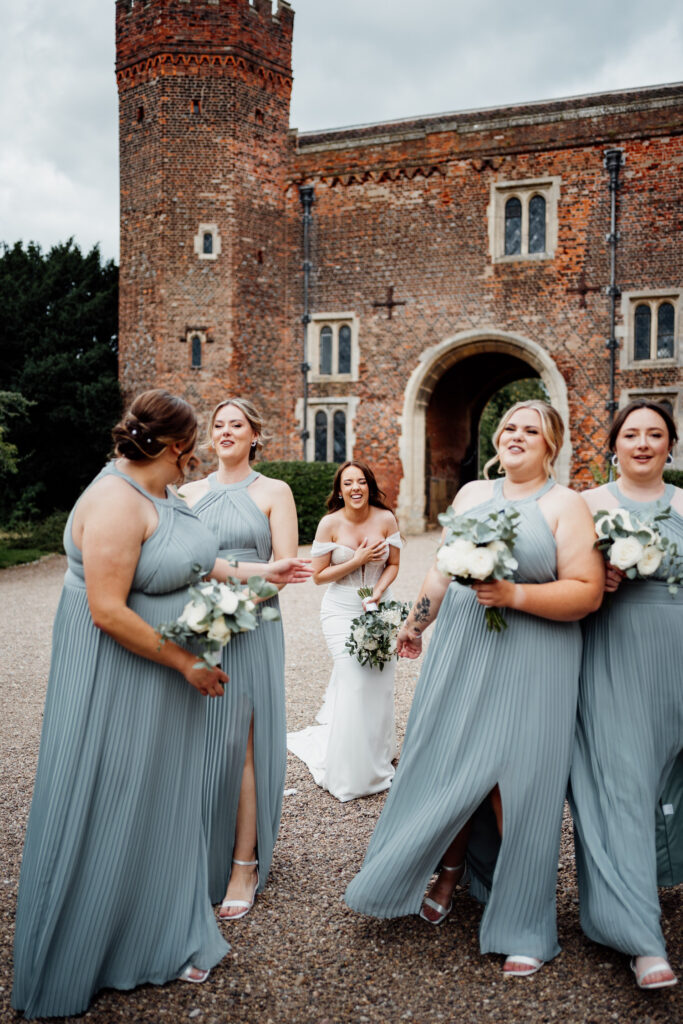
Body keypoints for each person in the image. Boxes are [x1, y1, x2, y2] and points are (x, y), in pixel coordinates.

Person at [344, 401, 604, 976]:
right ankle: (449, 870)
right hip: (463, 647)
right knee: (451, 764)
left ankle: (524, 917)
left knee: (518, 785)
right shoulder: (469, 496)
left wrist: (516, 595)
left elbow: (586, 592)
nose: (516, 436)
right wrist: (416, 622)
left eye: (530, 430)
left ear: (551, 444)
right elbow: (440, 567)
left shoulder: (566, 506)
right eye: (508, 426)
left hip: (535, 657)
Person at [12, 390, 231, 1019]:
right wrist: (187, 660)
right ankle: (90, 951)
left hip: (156, 678)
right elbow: (106, 611)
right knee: (109, 795)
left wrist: (261, 574)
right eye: (196, 441)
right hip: (119, 676)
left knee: (159, 796)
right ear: (177, 446)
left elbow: (185, 560)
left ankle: (159, 932)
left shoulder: (158, 492)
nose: (201, 452)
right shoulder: (113, 500)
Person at [181, 398, 311, 920]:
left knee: (244, 744)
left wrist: (230, 602)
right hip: (198, 628)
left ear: (256, 435)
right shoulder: (186, 493)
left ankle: (244, 862)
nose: (227, 431)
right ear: (210, 437)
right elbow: (182, 563)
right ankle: (196, 853)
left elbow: (284, 570)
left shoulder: (274, 492)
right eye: (219, 425)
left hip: (252, 627)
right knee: (197, 741)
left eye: (237, 424)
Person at [569, 399, 683, 991]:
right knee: (621, 785)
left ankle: (663, 873)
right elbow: (557, 574)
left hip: (678, 657)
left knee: (669, 784)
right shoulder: (588, 505)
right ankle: (642, 940)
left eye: (655, 434)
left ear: (671, 444)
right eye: (631, 434)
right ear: (613, 445)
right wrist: (596, 578)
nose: (643, 443)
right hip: (613, 655)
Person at [287, 460, 402, 802]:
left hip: (378, 605)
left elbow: (394, 564)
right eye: (348, 483)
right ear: (340, 490)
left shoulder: (386, 518)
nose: (355, 488)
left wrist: (378, 593)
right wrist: (358, 559)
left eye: (361, 482)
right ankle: (352, 770)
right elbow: (319, 576)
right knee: (353, 678)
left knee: (380, 678)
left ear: (369, 486)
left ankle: (376, 753)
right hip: (340, 610)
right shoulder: (329, 524)